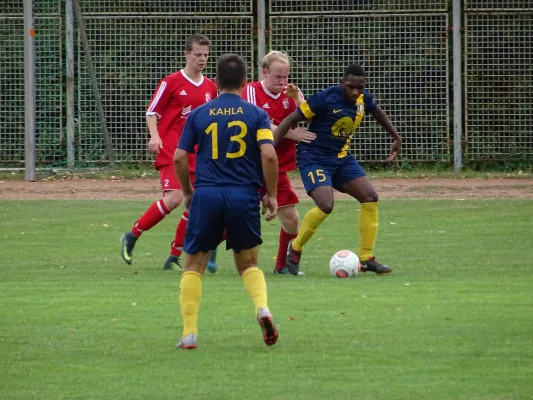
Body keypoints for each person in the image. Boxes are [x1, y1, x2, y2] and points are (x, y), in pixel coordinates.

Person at [173, 54, 280, 349]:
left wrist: (187, 191)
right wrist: (270, 195)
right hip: (243, 195)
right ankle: (262, 308)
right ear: (245, 82)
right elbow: (269, 155)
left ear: (216, 82)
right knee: (248, 264)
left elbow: (180, 157)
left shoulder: (199, 114)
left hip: (207, 194)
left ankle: (190, 333)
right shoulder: (256, 114)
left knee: (194, 264)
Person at [273, 64, 402, 276]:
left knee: (370, 197)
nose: (355, 92)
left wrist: (396, 137)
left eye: (359, 88)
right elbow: (290, 120)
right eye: (350, 87)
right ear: (342, 83)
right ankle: (295, 249)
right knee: (325, 205)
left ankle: (367, 257)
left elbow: (378, 113)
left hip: (342, 159)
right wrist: (271, 147)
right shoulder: (325, 98)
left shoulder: (363, 99)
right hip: (314, 158)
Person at [119, 34, 219, 270]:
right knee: (174, 198)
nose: (202, 59)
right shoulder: (171, 82)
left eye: (205, 55)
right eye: (197, 55)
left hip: (197, 153)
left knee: (194, 204)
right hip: (172, 149)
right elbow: (152, 111)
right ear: (187, 54)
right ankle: (132, 235)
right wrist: (155, 136)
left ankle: (173, 256)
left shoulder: (210, 87)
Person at [238, 50, 315, 276]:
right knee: (236, 217)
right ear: (264, 72)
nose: (283, 82)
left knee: (291, 220)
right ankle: (206, 249)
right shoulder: (251, 91)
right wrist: (291, 134)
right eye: (278, 77)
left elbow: (310, 115)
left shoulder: (291, 92)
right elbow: (256, 126)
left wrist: (296, 98)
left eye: (285, 76)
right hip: (250, 165)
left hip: (276, 168)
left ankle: (282, 266)